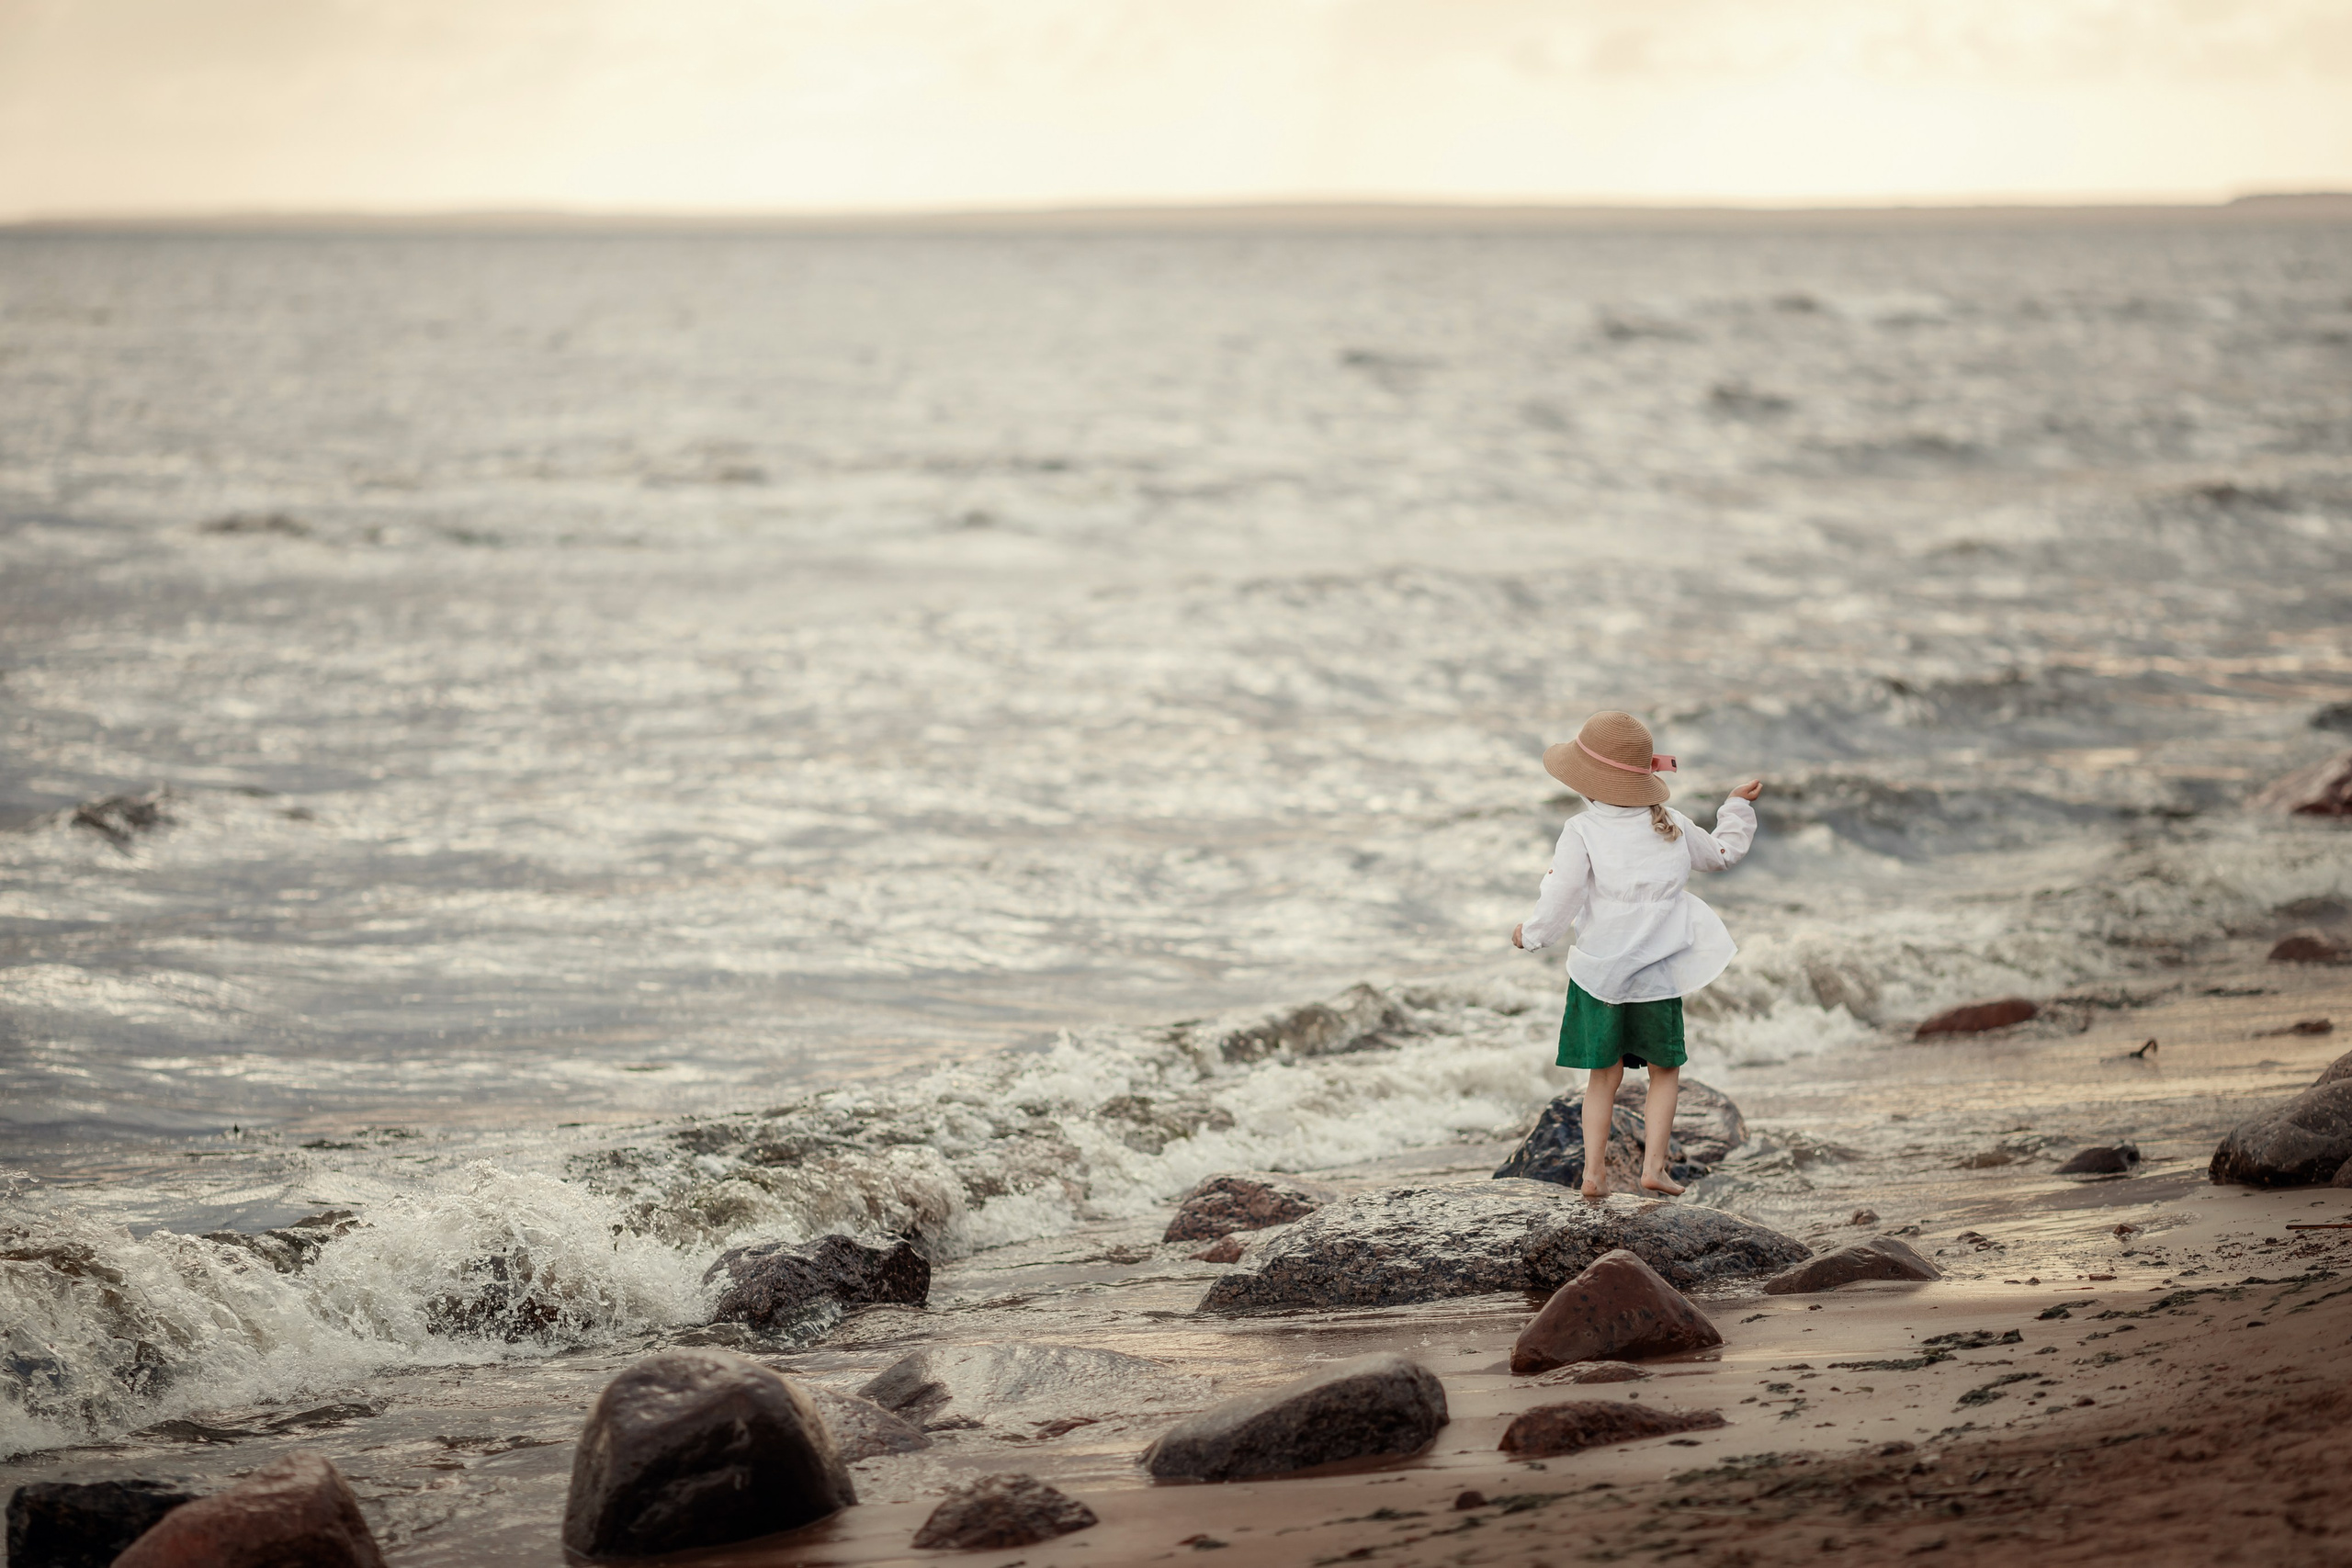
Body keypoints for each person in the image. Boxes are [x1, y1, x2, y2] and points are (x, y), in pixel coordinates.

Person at [1511, 710, 1762, 1198]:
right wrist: (1734, 808)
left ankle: (1593, 1176)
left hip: (1601, 976)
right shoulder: (1669, 820)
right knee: (1664, 1073)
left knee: (1601, 1078)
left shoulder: (1580, 830)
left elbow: (1561, 896)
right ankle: (1654, 1169)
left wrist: (1531, 934)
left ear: (1586, 781)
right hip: (1657, 975)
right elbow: (1721, 856)